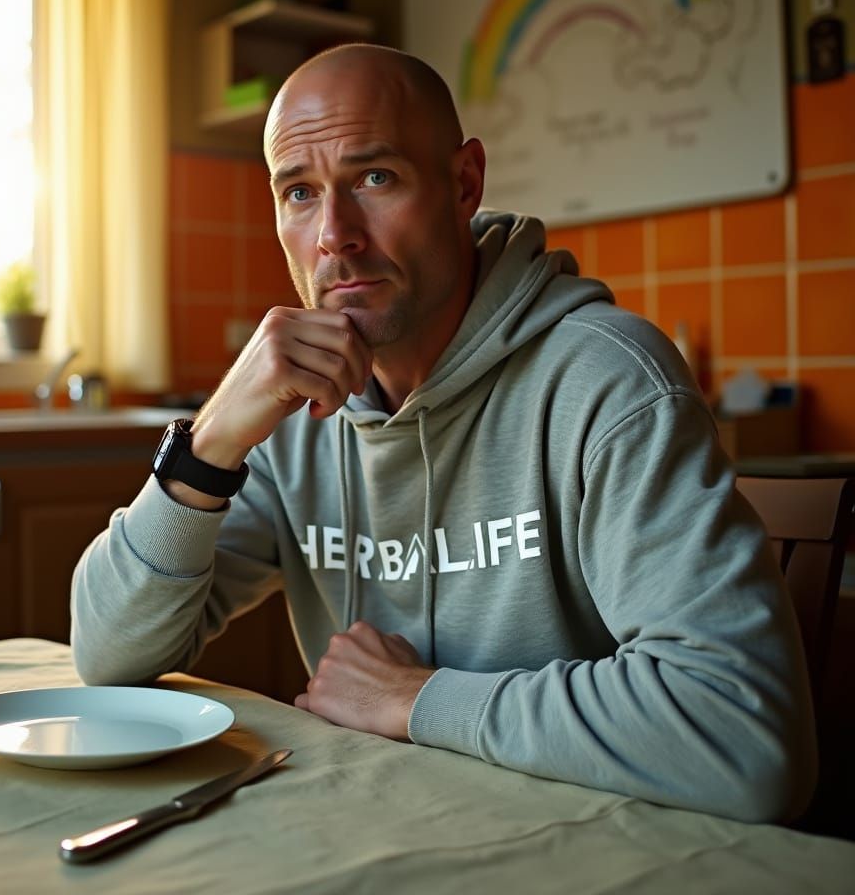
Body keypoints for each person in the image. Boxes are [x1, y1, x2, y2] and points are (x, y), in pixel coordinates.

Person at [71, 43, 816, 823]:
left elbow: (746, 739)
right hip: (380, 832)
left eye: (374, 178)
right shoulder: (294, 417)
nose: (335, 233)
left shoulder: (608, 381)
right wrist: (212, 441)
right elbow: (109, 654)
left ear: (463, 184)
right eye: (299, 193)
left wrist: (414, 698)